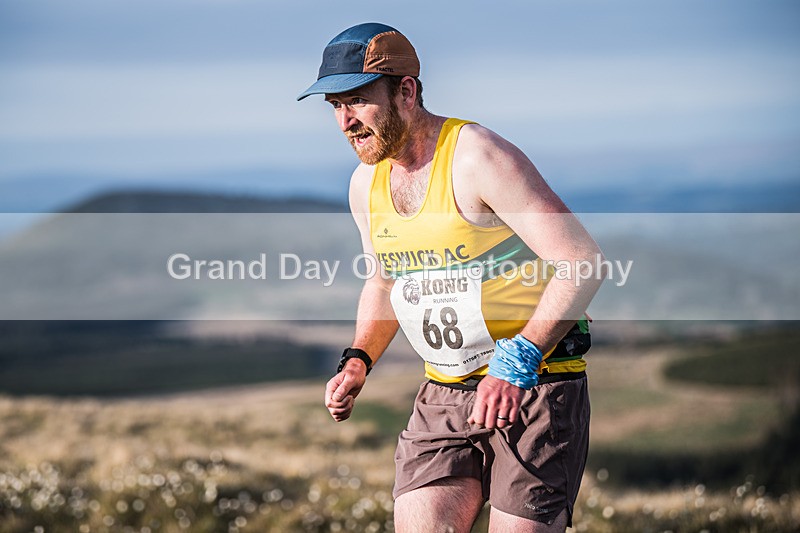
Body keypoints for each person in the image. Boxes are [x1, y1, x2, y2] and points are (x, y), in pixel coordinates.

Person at [299, 22, 604, 533]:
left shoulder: (476, 157)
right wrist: (358, 359)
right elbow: (384, 283)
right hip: (443, 391)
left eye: (357, 100)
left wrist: (519, 360)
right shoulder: (364, 184)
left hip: (535, 386)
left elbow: (582, 261)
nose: (346, 121)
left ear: (406, 91)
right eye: (335, 105)